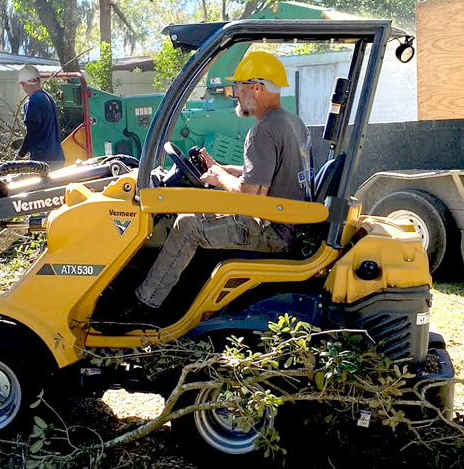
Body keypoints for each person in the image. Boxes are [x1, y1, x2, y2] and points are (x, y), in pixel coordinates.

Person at [103, 51, 312, 333]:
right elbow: (268, 175)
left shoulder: (262, 131)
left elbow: (251, 196)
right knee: (195, 218)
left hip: (271, 230)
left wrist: (218, 177)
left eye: (238, 86)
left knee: (187, 225)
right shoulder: (291, 122)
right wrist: (222, 167)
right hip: (285, 221)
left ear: (258, 88)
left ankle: (144, 308)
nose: (235, 93)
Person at [17, 64, 65, 169]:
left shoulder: (33, 102)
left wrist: (20, 154)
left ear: (23, 83)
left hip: (42, 161)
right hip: (57, 157)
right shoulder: (48, 97)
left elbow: (32, 133)